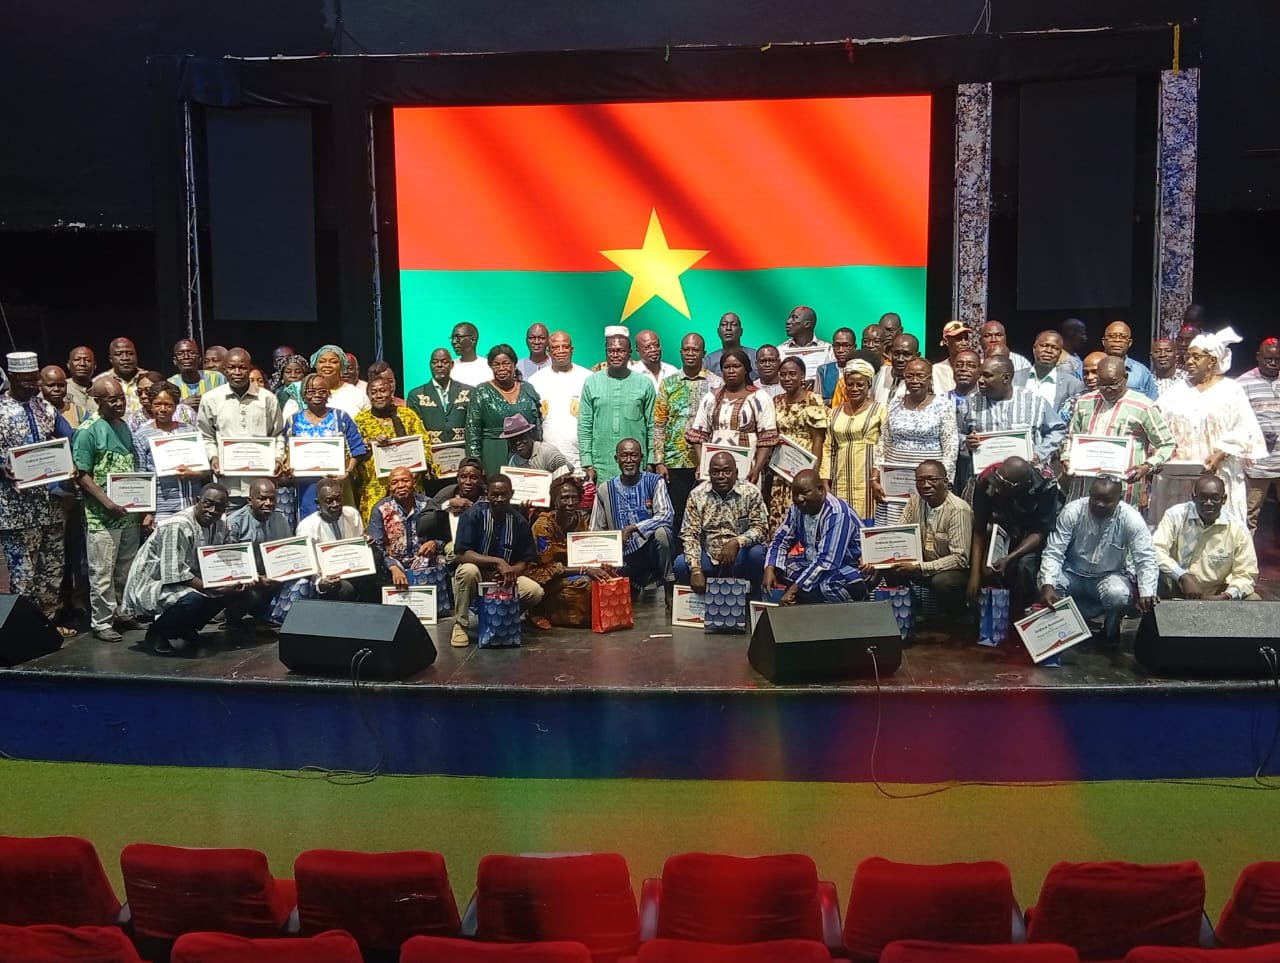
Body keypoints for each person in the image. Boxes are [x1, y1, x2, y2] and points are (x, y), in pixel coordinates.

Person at [1156, 327, 1267, 525]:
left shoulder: (1231, 390)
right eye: (1188, 356)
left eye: (1196, 357)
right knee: (1181, 526)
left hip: (1218, 473)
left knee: (1219, 528)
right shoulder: (1175, 392)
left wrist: (1221, 453)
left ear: (1212, 360)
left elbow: (1245, 429)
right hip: (1179, 477)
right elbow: (1157, 424)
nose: (1189, 361)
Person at [0, 352, 75, 639]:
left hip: (50, 504)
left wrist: (69, 461)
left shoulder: (45, 407)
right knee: (23, 574)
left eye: (35, 380)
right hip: (16, 507)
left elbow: (69, 436)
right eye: (26, 381)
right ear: (12, 377)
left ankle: (48, 626)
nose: (32, 386)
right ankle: (25, 632)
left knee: (52, 569)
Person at [1039, 476, 1159, 646]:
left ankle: (1110, 632)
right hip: (1072, 573)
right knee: (1049, 583)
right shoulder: (1073, 511)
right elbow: (1054, 551)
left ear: (1119, 499)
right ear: (1089, 494)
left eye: (1107, 500)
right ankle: (1060, 632)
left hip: (1108, 576)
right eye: (1095, 498)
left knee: (1118, 595)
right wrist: (1048, 584)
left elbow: (1145, 557)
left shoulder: (1131, 518)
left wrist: (1147, 591)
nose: (1100, 504)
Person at [122, 483, 239, 656]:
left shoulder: (222, 522)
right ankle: (157, 633)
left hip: (191, 577)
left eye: (219, 507)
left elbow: (226, 556)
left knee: (229, 591)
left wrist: (239, 578)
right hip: (154, 582)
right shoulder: (177, 525)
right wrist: (211, 586)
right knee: (195, 598)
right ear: (197, 501)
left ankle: (186, 628)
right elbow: (174, 574)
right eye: (208, 504)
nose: (213, 511)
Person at [74, 378, 142, 642]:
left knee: (125, 568)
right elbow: (81, 474)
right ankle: (102, 621)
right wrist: (107, 503)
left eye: (121, 398)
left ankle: (122, 612)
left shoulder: (123, 426)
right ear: (98, 401)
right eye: (112, 400)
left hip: (128, 514)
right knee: (102, 571)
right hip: (102, 516)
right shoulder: (88, 431)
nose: (119, 404)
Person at [1061, 355, 1176, 506]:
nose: (1108, 389)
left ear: (1125, 378)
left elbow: (1168, 444)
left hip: (1124, 490)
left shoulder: (1143, 406)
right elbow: (1071, 437)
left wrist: (1147, 466)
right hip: (1084, 488)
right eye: (1103, 384)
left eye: (1113, 384)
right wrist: (1066, 458)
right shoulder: (1084, 402)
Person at [451, 473, 545, 647]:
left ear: (512, 494)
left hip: (504, 579)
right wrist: (498, 562)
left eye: (504, 494)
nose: (499, 499)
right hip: (479, 574)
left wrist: (512, 571)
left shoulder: (518, 521)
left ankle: (503, 616)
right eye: (494, 494)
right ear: (487, 494)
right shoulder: (473, 515)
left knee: (535, 591)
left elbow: (526, 559)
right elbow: (461, 554)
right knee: (467, 571)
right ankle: (461, 625)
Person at [968, 456, 1062, 621]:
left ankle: (1023, 619)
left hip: (1031, 534)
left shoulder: (1046, 482)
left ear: (1021, 485)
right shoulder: (987, 479)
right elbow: (979, 528)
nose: (997, 489)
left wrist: (1009, 558)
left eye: (1004, 486)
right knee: (988, 569)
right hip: (1002, 527)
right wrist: (974, 576)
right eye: (997, 481)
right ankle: (995, 618)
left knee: (1023, 566)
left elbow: (1039, 531)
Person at [590, 439, 676, 607]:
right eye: (624, 456)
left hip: (650, 548)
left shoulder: (654, 481)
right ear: (617, 459)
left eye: (633, 455)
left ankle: (669, 585)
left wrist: (633, 528)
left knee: (663, 533)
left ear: (641, 458)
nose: (629, 460)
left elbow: (666, 515)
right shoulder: (605, 489)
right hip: (622, 553)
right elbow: (595, 529)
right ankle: (632, 584)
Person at [197, 348, 285, 511]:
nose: (237, 372)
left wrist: (278, 458)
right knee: (228, 526)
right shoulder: (211, 399)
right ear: (224, 370)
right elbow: (205, 435)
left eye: (242, 367)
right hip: (227, 486)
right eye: (232, 367)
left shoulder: (267, 398)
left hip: (261, 487)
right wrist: (213, 457)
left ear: (250, 368)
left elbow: (278, 434)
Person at [874, 358, 958, 524]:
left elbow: (951, 447)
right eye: (910, 376)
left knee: (926, 526)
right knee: (896, 527)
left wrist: (943, 482)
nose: (914, 380)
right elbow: (884, 441)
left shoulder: (943, 405)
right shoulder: (895, 403)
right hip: (895, 481)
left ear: (929, 379)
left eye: (920, 376)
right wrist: (875, 475)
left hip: (928, 482)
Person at [763, 469, 867, 604]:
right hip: (813, 562)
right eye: (795, 494)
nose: (799, 499)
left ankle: (853, 605)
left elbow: (827, 561)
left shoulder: (837, 513)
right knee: (779, 569)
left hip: (850, 566)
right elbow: (780, 540)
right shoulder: (797, 508)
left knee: (828, 586)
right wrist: (770, 567)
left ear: (821, 490)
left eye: (805, 493)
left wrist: (794, 589)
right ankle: (809, 598)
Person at [888, 460, 973, 622]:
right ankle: (911, 613)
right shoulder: (915, 501)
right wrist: (874, 558)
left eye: (932, 479)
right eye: (920, 480)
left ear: (945, 482)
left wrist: (919, 567)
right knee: (889, 566)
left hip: (955, 572)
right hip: (923, 566)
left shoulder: (958, 509)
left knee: (943, 582)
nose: (926, 485)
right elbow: (899, 534)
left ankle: (959, 619)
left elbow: (960, 559)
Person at [652, 332, 721, 530]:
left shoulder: (717, 384)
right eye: (686, 349)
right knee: (677, 514)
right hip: (674, 462)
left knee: (706, 513)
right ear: (681, 352)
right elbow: (659, 424)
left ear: (703, 353)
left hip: (705, 461)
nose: (690, 353)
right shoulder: (669, 383)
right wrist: (659, 461)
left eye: (695, 350)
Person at [1153, 473, 1259, 601]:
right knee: (1153, 581)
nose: (1208, 503)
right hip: (1176, 586)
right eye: (1202, 497)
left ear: (1224, 499)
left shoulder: (1237, 528)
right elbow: (1156, 550)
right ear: (1193, 497)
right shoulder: (1176, 516)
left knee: (1253, 599)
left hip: (1216, 593)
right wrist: (1182, 576)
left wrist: (1227, 596)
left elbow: (1246, 573)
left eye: (1215, 498)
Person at [282, 477, 383, 609]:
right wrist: (320, 582)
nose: (335, 504)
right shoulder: (306, 527)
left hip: (354, 569)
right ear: (318, 503)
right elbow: (308, 565)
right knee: (346, 589)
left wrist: (366, 544)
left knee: (376, 554)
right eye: (329, 501)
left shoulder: (352, 514)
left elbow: (359, 546)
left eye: (338, 499)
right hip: (328, 577)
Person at [676, 451, 768, 596]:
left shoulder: (751, 492)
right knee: (680, 564)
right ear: (709, 474)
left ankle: (752, 598)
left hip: (740, 555)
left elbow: (761, 528)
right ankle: (695, 604)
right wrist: (696, 570)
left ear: (736, 473)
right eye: (715, 472)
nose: (721, 476)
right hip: (709, 556)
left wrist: (737, 542)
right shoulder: (697, 495)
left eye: (726, 471)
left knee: (757, 554)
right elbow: (689, 534)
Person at [353, 365, 434, 524]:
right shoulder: (360, 420)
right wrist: (370, 443)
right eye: (374, 392)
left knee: (414, 527)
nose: (378, 395)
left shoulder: (407, 415)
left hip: (409, 483)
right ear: (368, 396)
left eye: (383, 391)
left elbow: (424, 443)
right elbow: (354, 449)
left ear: (391, 392)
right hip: (375, 487)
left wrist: (417, 469)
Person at [686, 347, 778, 486]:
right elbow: (699, 435)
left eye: (736, 366)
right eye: (726, 367)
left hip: (747, 469)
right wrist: (702, 464)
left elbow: (767, 439)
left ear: (746, 369)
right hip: (714, 470)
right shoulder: (711, 398)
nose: (731, 371)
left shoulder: (760, 398)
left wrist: (757, 469)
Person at [285, 373, 367, 520]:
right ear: (304, 394)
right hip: (305, 486)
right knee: (309, 524)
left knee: (339, 523)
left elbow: (357, 448)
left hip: (337, 483)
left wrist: (347, 472)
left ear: (329, 393)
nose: (317, 395)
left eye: (322, 391)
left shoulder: (341, 417)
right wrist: (288, 465)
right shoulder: (293, 420)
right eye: (311, 391)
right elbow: (287, 449)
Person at [960, 357, 1065, 468]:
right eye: (980, 375)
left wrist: (1040, 453)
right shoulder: (970, 403)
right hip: (985, 474)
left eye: (987, 375)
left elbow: (1058, 429)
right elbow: (955, 434)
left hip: (1026, 473)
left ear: (1005, 378)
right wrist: (966, 442)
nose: (980, 381)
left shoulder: (1034, 402)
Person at [579, 332, 655, 485]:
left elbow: (653, 425)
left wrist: (652, 460)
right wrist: (587, 463)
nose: (615, 355)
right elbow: (585, 425)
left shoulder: (644, 383)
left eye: (620, 351)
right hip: (601, 465)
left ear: (629, 354)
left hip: (636, 465)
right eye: (611, 351)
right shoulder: (591, 383)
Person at [132, 381, 208, 523]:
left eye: (168, 405)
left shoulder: (190, 431)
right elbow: (141, 476)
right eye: (157, 404)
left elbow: (205, 469)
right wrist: (146, 512)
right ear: (151, 405)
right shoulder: (141, 436)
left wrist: (196, 473)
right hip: (162, 508)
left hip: (192, 505)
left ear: (176, 406)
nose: (162, 409)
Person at [766, 357, 828, 528]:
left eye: (792, 374)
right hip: (782, 466)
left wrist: (813, 473)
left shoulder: (812, 399)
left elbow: (818, 439)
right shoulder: (776, 401)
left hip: (804, 463)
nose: (787, 378)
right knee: (780, 511)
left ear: (803, 376)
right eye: (783, 374)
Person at [528, 475, 596, 628]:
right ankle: (541, 610)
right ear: (555, 500)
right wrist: (584, 570)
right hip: (546, 578)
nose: (570, 503)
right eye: (565, 498)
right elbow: (545, 567)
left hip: (573, 572)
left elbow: (587, 551)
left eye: (574, 498)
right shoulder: (543, 525)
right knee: (585, 584)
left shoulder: (581, 520)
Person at [223, 477, 293, 624]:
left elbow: (288, 552)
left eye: (272, 499)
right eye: (262, 498)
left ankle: (271, 617)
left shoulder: (280, 519)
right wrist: (257, 578)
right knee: (252, 594)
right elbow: (230, 563)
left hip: (272, 578)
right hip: (245, 580)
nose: (268, 503)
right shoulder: (234, 522)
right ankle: (231, 617)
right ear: (250, 500)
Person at [465, 343, 543, 475]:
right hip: (494, 452)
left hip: (527, 453)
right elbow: (472, 430)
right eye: (496, 364)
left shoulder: (528, 388)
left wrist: (540, 453)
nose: (501, 368)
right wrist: (475, 464)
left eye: (506, 363)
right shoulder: (481, 391)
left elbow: (538, 426)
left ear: (514, 364)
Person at [825, 358, 885, 519]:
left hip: (869, 477)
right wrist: (825, 479)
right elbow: (828, 447)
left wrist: (877, 476)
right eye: (850, 384)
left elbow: (884, 445)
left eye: (860, 385)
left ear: (869, 385)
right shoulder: (834, 412)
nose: (854, 388)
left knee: (868, 520)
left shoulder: (880, 410)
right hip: (840, 477)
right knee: (842, 518)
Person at [528, 331, 591, 469]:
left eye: (565, 346)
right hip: (546, 457)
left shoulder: (588, 378)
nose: (561, 351)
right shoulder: (536, 380)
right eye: (555, 347)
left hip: (581, 457)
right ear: (548, 351)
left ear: (572, 349)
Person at [1236, 337, 1280, 534]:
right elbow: (1235, 420)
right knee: (1248, 515)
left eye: (1277, 359)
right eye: (1268, 358)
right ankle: (1246, 552)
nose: (1272, 363)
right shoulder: (1243, 383)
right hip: (1256, 464)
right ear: (1258, 357)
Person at [367, 466, 436, 588]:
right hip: (392, 566)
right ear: (389, 487)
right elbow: (376, 545)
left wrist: (434, 543)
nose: (400, 485)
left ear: (414, 483)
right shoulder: (380, 509)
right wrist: (393, 566)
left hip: (424, 562)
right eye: (395, 482)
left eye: (405, 480)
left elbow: (444, 534)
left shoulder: (428, 504)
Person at [407, 347, 471, 454]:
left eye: (444, 362)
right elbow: (412, 430)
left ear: (452, 364)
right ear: (430, 365)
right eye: (435, 362)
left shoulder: (468, 392)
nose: (439, 365)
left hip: (463, 453)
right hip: (430, 454)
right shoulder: (416, 395)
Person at [418, 456, 485, 548]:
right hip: (452, 545)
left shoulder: (488, 494)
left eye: (473, 477)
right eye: (463, 477)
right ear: (457, 478)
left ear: (481, 479)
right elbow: (421, 526)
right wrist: (447, 505)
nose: (468, 482)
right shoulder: (447, 494)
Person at [286, 345, 369, 419]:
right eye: (322, 361)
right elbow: (288, 421)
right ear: (315, 365)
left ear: (342, 366)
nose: (327, 365)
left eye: (334, 362)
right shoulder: (300, 391)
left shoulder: (357, 394)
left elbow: (369, 423)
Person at [1015, 330, 1085, 418]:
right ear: (1034, 348)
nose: (1049, 350)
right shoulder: (1014, 379)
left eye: (1055, 348)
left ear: (1060, 353)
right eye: (1044, 345)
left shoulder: (1073, 385)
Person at [1099, 321, 1158, 400]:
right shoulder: (1092, 367)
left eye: (1123, 337)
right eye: (1112, 336)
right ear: (1103, 341)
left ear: (1129, 343)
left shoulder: (1141, 372)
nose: (1117, 340)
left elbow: (1152, 402)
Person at [777, 305, 834, 387]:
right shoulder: (780, 351)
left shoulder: (828, 350)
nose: (788, 321)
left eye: (794, 318)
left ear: (807, 324)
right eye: (789, 318)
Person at [503, 413, 571, 476]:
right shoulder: (514, 462)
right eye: (512, 440)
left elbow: (568, 477)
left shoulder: (548, 453)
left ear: (530, 434)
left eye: (521, 437)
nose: (518, 442)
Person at [167, 338, 225, 409]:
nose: (186, 357)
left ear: (199, 359)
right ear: (175, 361)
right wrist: (183, 405)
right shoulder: (171, 383)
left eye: (191, 353)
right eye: (180, 354)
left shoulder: (217, 378)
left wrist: (205, 403)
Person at [93, 337, 144, 417]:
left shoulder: (149, 379)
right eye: (119, 354)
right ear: (111, 359)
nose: (125, 358)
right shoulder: (99, 382)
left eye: (130, 353)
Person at [704, 312, 758, 379]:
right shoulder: (709, 360)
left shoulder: (755, 356)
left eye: (734, 324)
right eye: (724, 324)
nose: (728, 328)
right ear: (718, 332)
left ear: (741, 331)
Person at [40, 364, 89, 429]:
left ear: (66, 385)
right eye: (51, 385)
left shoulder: (80, 413)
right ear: (40, 386)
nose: (56, 389)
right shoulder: (34, 413)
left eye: (61, 385)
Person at [932, 321, 975, 395]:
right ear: (946, 341)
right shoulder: (937, 370)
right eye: (959, 339)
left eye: (966, 339)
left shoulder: (975, 367)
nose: (964, 343)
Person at [817, 327, 857, 403]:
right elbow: (817, 400)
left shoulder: (861, 370)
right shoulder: (824, 370)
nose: (840, 350)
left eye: (846, 346)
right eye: (836, 345)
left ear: (854, 347)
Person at [449, 322, 491, 387]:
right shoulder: (449, 367)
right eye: (452, 338)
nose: (453, 342)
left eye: (458, 338)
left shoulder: (489, 366)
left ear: (473, 339)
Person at [65, 346, 96, 413]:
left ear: (94, 365)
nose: (82, 364)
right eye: (77, 359)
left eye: (87, 360)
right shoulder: (62, 388)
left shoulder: (101, 390)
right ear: (68, 365)